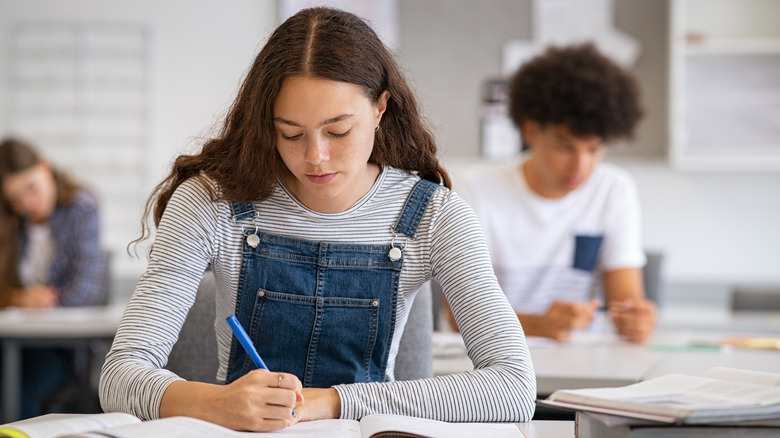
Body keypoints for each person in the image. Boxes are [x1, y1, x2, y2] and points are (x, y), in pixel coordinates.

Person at [99, 7, 536, 433]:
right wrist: (215, 403)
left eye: (338, 131)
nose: (315, 157)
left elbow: (513, 387)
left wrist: (333, 401)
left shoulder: (435, 216)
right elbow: (120, 376)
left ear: (381, 109)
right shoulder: (210, 202)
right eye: (290, 133)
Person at [456, 43, 656, 343]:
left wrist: (635, 319)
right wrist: (539, 325)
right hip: (491, 364)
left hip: (579, 367)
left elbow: (625, 302)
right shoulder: (475, 189)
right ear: (531, 131)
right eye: (565, 146)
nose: (581, 165)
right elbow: (458, 315)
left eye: (594, 149)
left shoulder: (614, 190)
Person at [0, 137, 106, 418]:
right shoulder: (10, 220)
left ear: (45, 166)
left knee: (17, 389)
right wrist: (18, 298)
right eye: (15, 199)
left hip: (61, 346)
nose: (27, 204)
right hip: (12, 339)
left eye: (31, 188)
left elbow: (86, 292)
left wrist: (42, 301)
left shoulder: (82, 207)